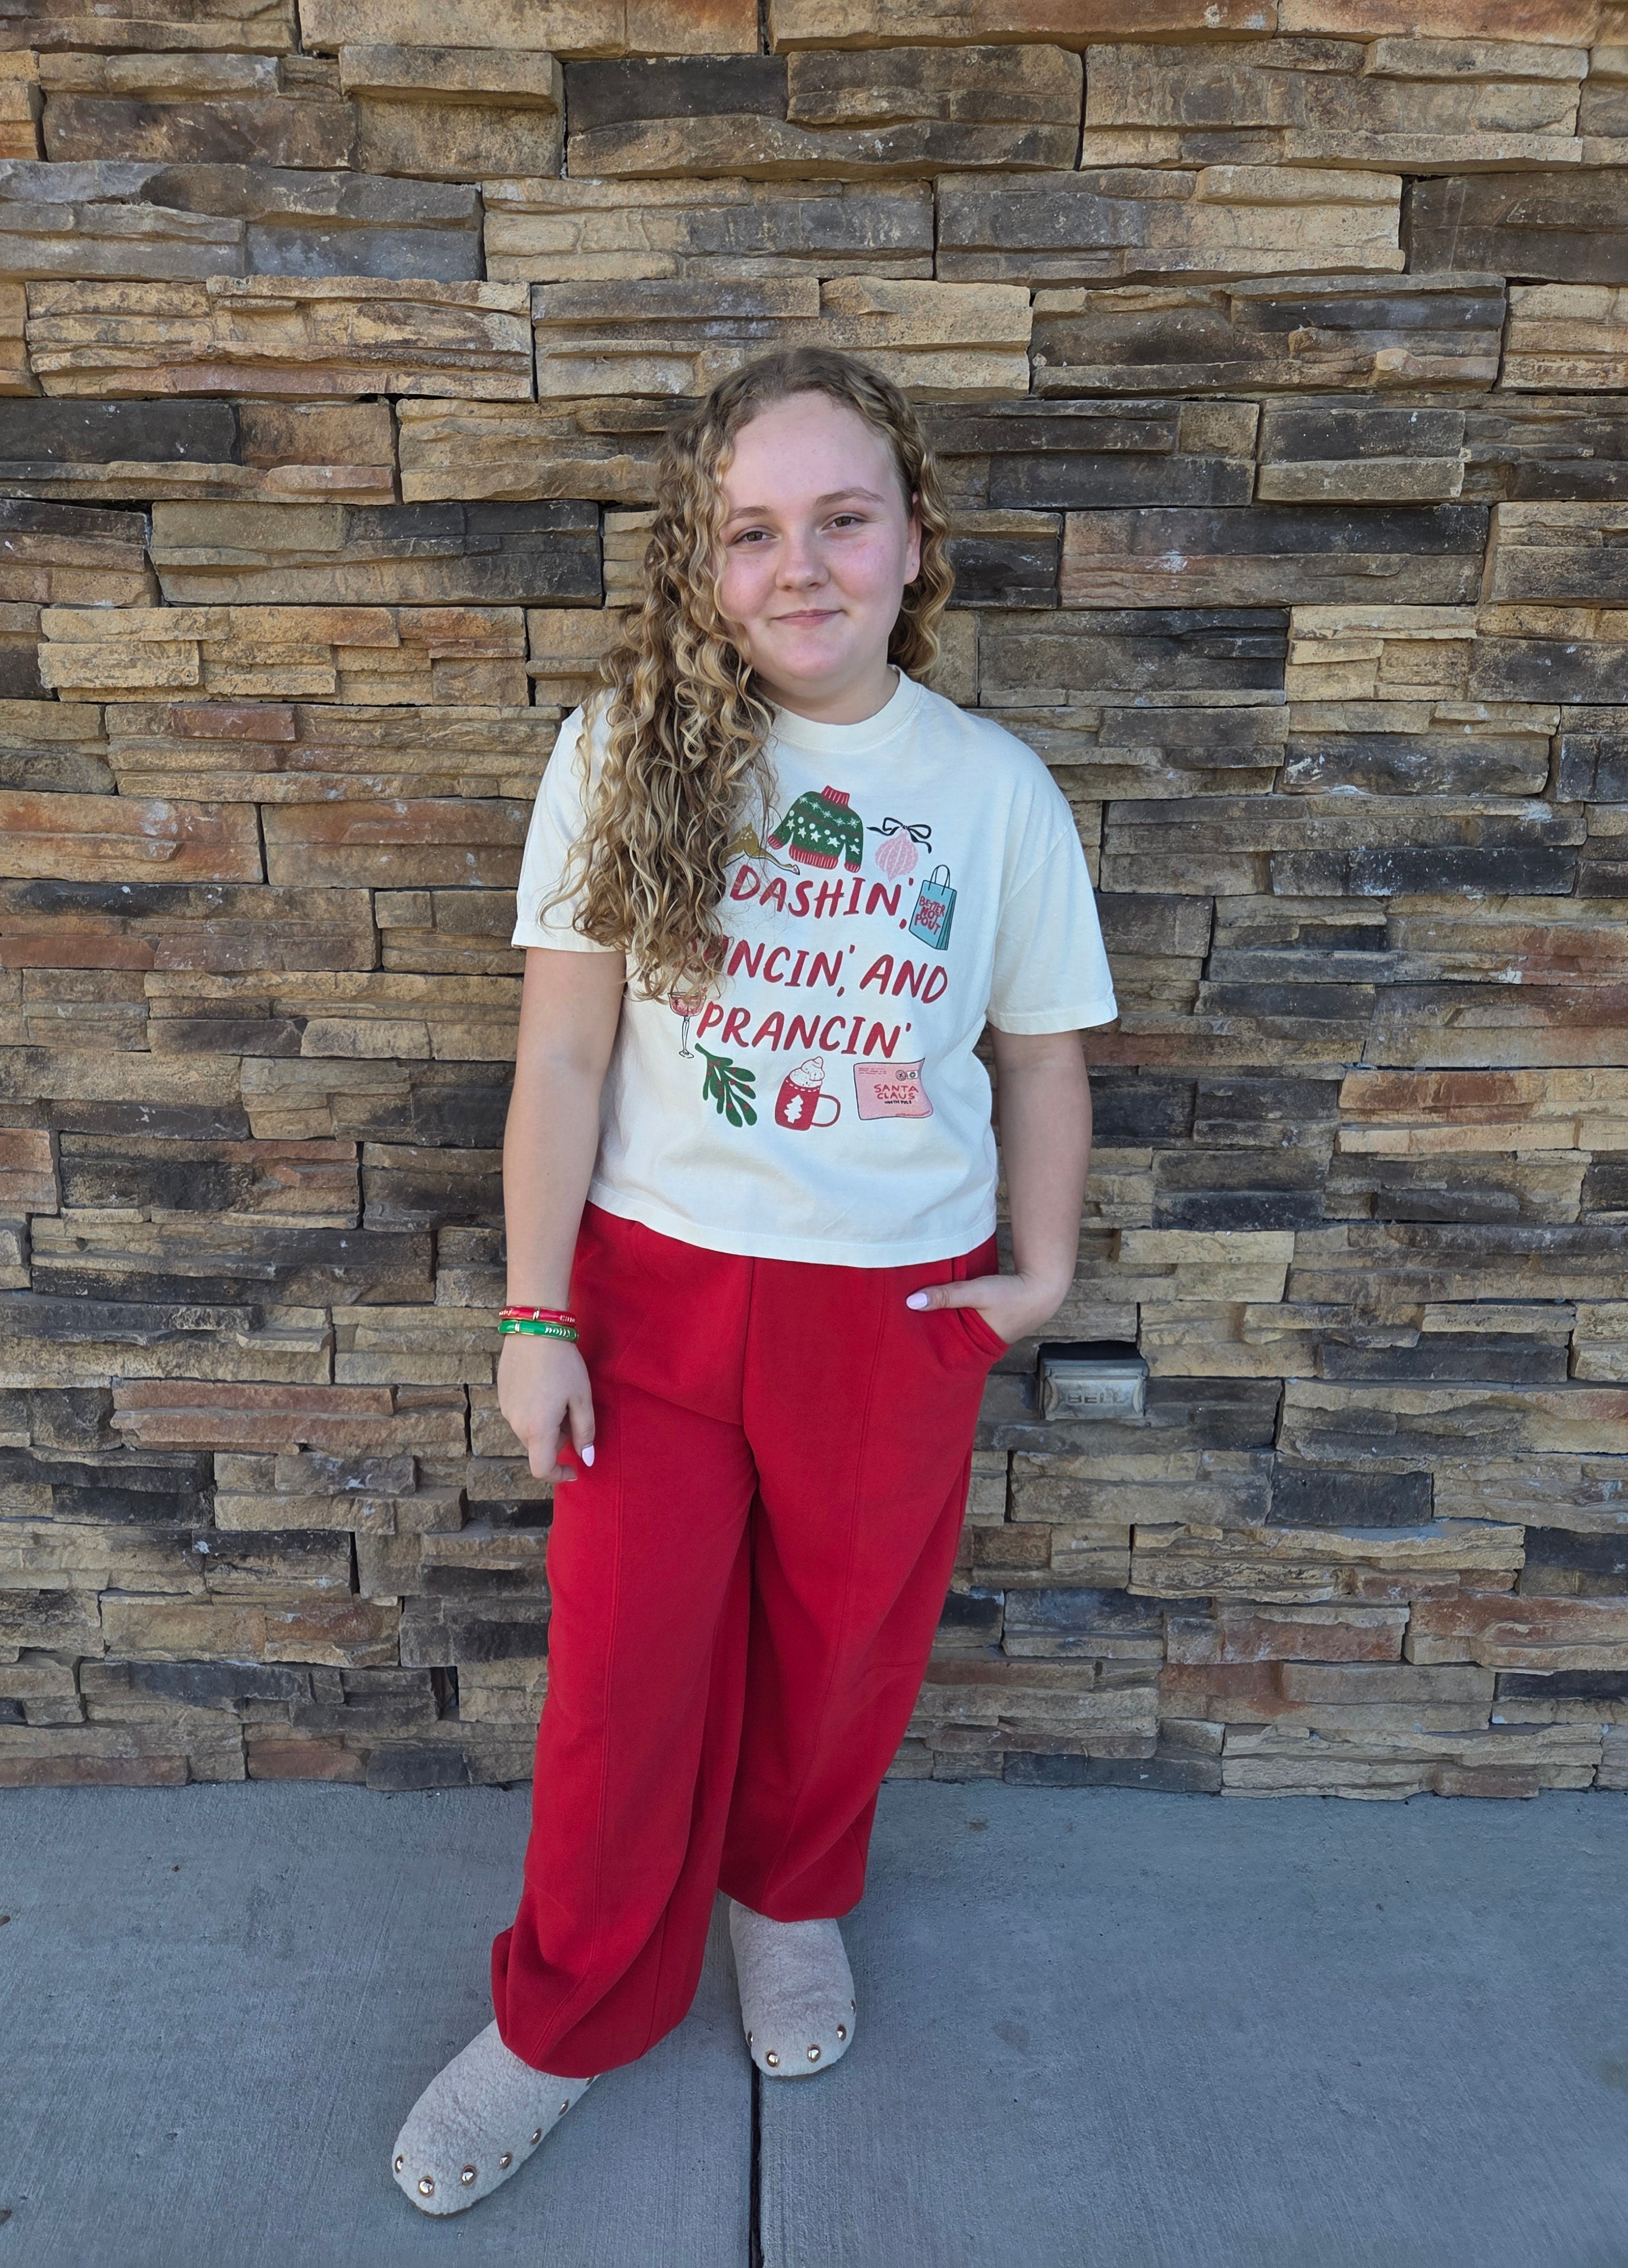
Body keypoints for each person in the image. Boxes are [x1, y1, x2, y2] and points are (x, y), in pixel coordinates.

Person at [389, 346, 1118, 2215]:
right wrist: (535, 1313)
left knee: (847, 1650)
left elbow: (1042, 1054)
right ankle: (564, 2016)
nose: (801, 567)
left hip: (890, 1307)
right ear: (704, 566)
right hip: (654, 1292)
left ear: (914, 540)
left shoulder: (993, 791)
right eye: (753, 532)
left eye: (842, 520)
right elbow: (563, 1058)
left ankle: (785, 1901)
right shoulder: (622, 754)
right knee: (623, 1678)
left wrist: (1040, 1273)